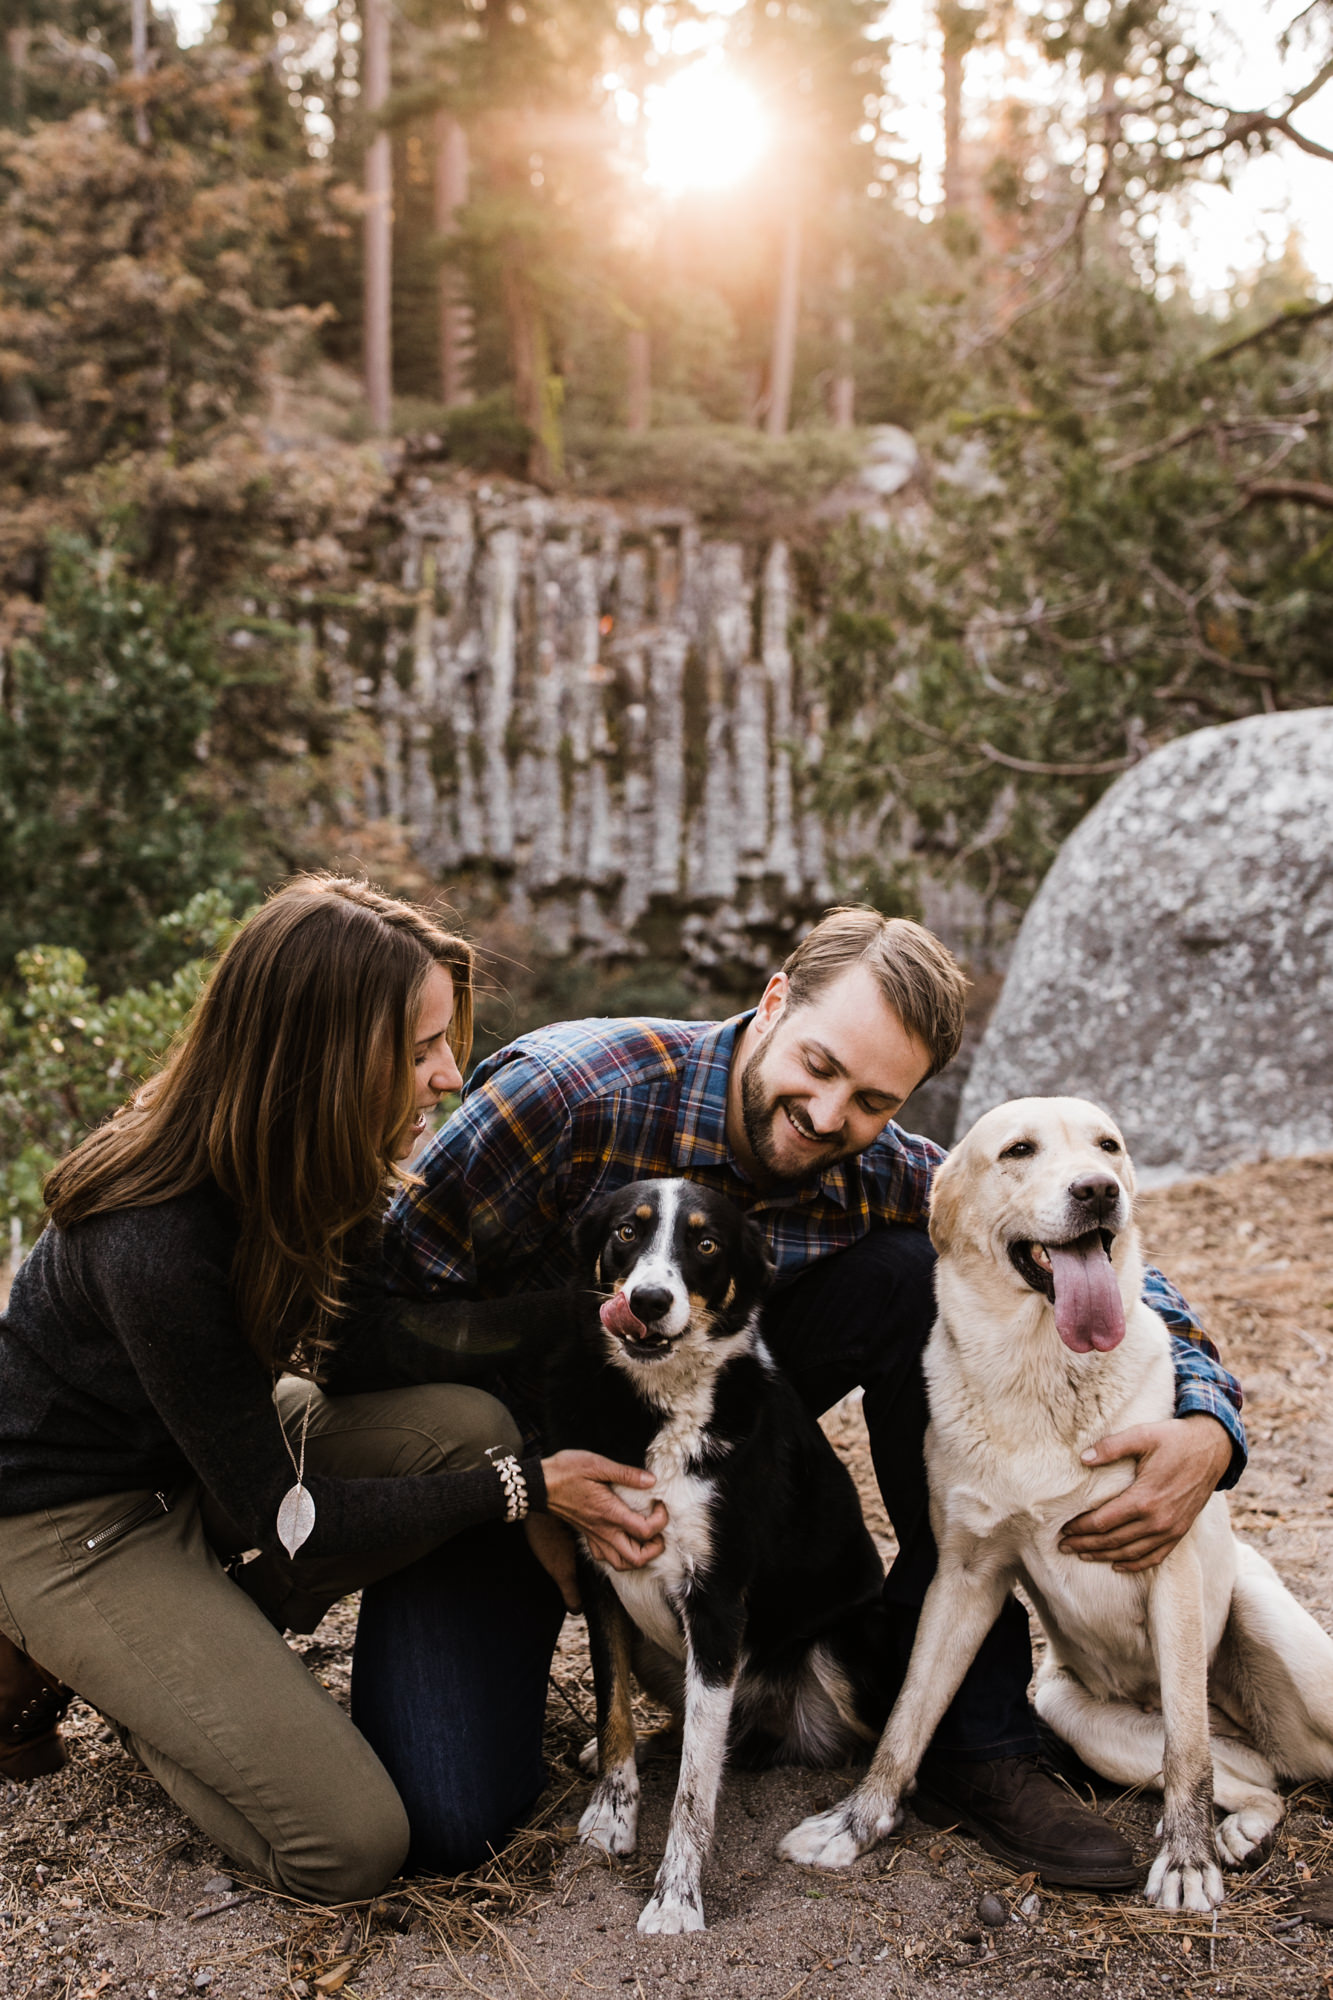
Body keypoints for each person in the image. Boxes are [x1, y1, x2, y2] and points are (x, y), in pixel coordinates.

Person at [381, 905, 1247, 1886]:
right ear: (775, 1000)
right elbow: (385, 1301)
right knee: (449, 1814)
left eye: (875, 1098)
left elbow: (1126, 1273)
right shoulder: (568, 1094)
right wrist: (524, 1478)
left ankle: (976, 1737)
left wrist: (1208, 1420)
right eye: (821, 1066)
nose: (832, 1115)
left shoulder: (874, 1165)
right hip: (509, 1443)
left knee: (906, 1269)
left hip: (718, 1404)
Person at [0, 876, 666, 1896]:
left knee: (468, 1424)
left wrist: (584, 1316)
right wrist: (530, 1489)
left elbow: (371, 1355)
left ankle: (199, 1634)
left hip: (211, 1455)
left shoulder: (321, 1155)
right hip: (72, 1523)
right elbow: (291, 1522)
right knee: (348, 1845)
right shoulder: (156, 1236)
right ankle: (118, 1673)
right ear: (312, 1059)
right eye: (417, 1050)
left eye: (446, 1040)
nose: (449, 1075)